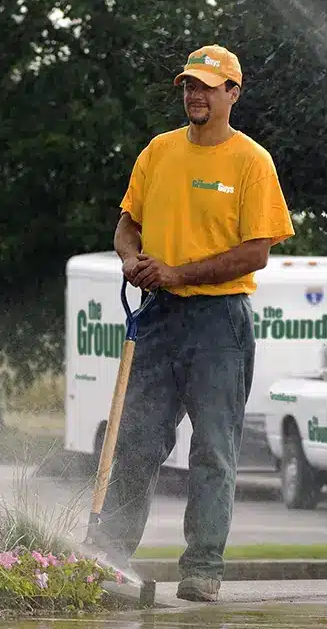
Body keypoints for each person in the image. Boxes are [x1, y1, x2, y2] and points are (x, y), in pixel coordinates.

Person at [94, 44, 295, 602]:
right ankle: (107, 558)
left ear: (233, 92)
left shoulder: (251, 162)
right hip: (158, 318)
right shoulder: (158, 152)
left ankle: (202, 568)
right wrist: (131, 259)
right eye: (189, 85)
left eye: (208, 85)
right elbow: (126, 226)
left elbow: (256, 253)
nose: (195, 94)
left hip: (218, 323)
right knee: (134, 440)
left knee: (213, 450)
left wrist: (179, 272)